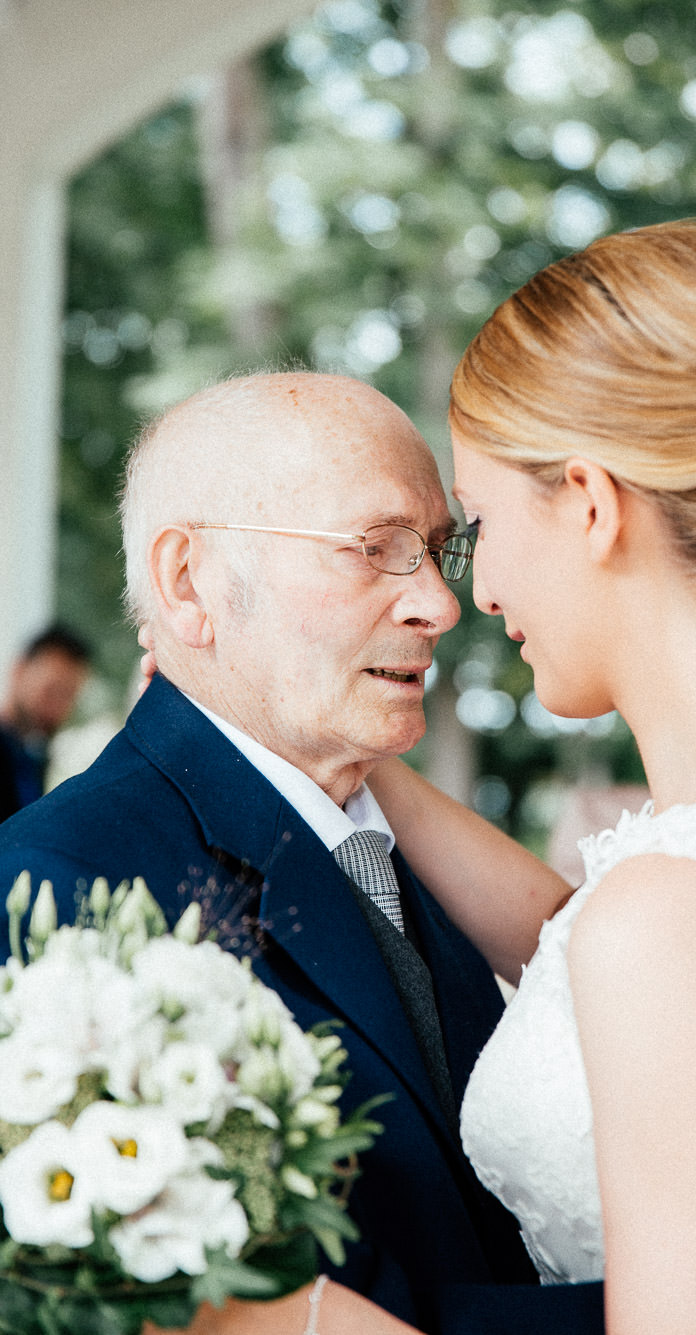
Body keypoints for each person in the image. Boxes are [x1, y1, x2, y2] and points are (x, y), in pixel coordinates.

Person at [361, 217, 696, 1335]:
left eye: (481, 524)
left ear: (593, 505)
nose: (476, 591)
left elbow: (674, 951)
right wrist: (353, 753)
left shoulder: (674, 928)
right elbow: (591, 928)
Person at [0, 372, 603, 1335]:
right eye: (376, 549)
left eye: (438, 550)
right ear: (188, 581)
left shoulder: (415, 846)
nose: (441, 605)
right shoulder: (62, 885)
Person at [0, 624, 90, 820]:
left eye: (68, 696)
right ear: (19, 670)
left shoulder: (33, 757)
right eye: (51, 690)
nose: (57, 706)